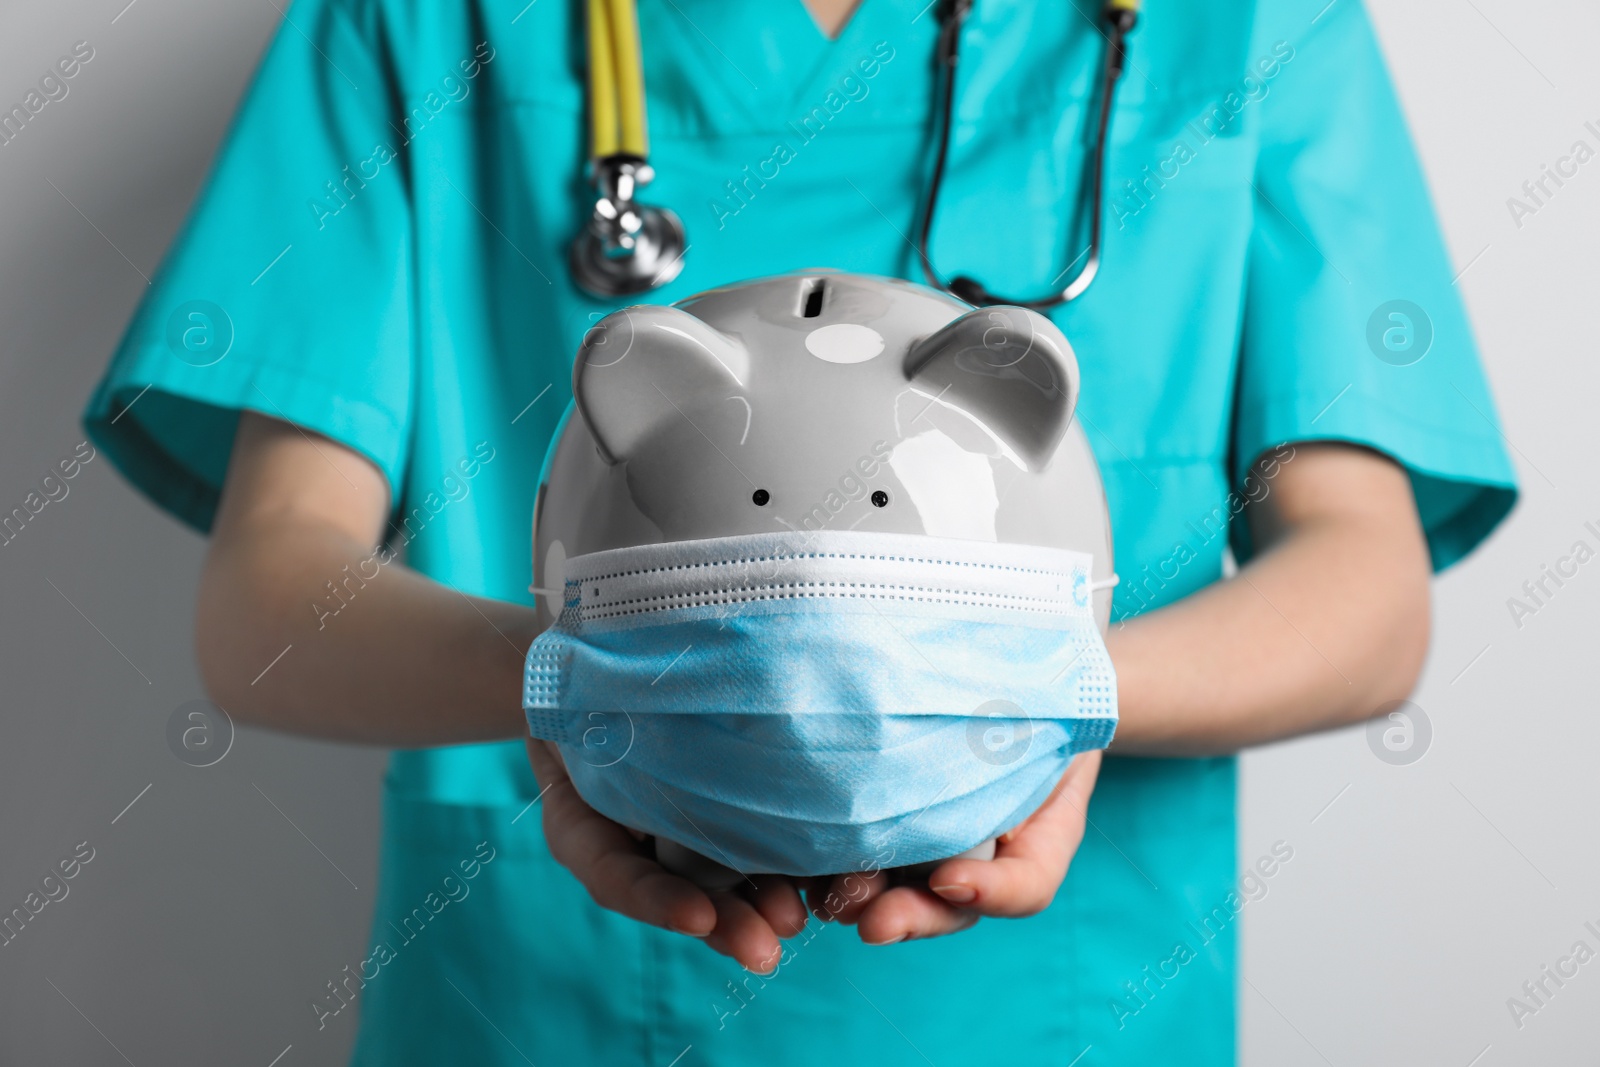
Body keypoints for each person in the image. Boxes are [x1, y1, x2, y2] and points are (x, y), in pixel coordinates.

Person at [84, 0, 1516, 1062]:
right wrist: (586, 690)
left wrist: (1035, 698)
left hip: (1061, 1015)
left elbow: (1368, 593)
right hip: (548, 1003)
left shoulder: (1246, 22)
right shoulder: (422, 18)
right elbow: (267, 603)